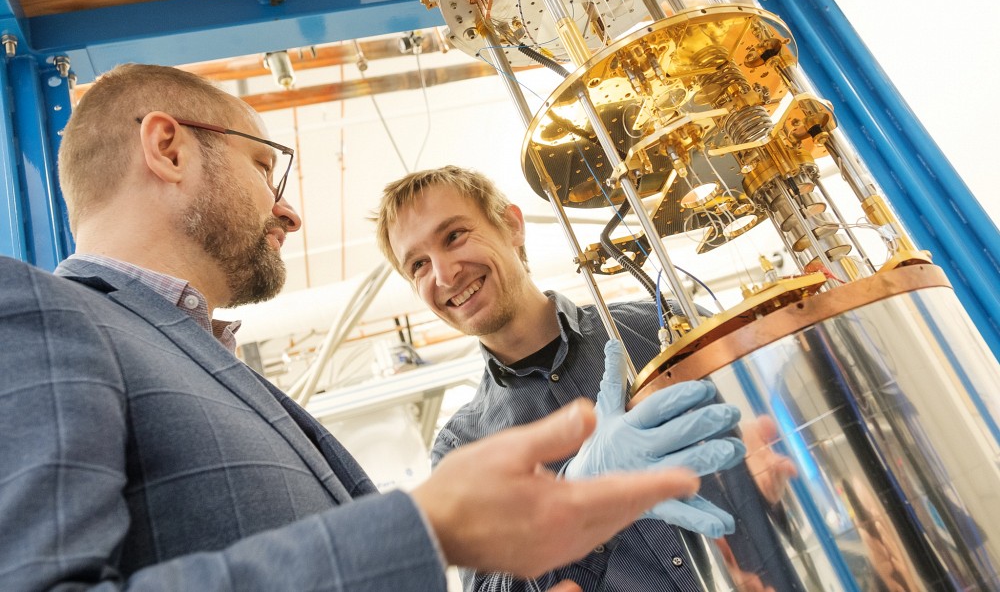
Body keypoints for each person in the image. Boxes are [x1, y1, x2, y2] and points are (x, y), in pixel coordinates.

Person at [0, 64, 706, 591]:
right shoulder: (43, 315)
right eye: (263, 167)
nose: (290, 213)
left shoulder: (201, 360)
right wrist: (427, 528)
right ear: (169, 148)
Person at [376, 166, 805, 591]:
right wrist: (570, 502)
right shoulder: (462, 447)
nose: (445, 274)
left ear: (511, 225)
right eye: (418, 264)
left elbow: (790, 446)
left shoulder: (659, 329)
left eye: (454, 236)